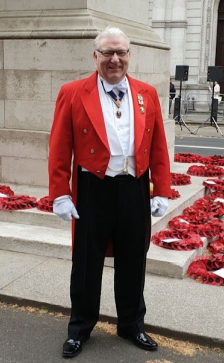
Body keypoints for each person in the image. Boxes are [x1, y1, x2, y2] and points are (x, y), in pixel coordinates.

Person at [48, 27, 171, 358]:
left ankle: (132, 324)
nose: (114, 59)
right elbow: (59, 147)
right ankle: (80, 329)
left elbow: (158, 144)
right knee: (86, 263)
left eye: (121, 53)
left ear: (130, 55)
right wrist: (60, 193)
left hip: (134, 186)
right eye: (107, 53)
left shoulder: (147, 93)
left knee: (133, 260)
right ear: (96, 56)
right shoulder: (73, 92)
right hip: (94, 188)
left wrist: (161, 189)